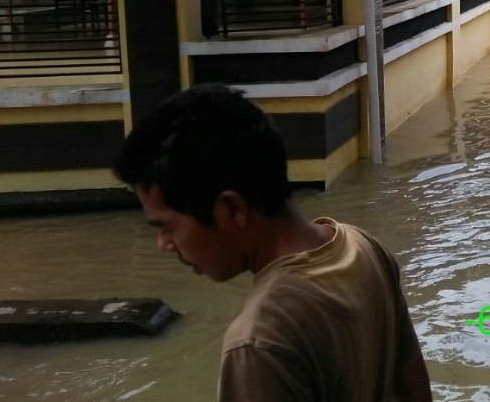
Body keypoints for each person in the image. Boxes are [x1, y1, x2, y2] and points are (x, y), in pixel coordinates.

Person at [112, 84, 432, 402]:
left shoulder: (259, 342)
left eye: (166, 227)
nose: (163, 245)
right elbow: (414, 386)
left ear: (232, 209)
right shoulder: (365, 247)